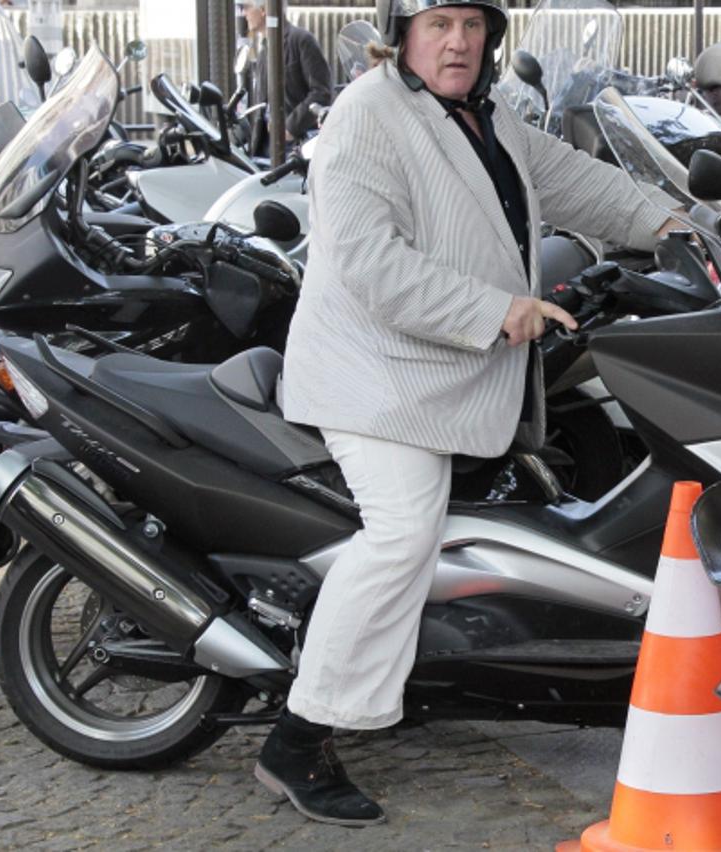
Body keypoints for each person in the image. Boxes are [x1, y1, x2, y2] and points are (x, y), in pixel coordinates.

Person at [256, 0, 678, 827]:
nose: (458, 41)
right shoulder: (366, 115)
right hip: (375, 375)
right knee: (404, 529)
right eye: (439, 23)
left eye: (473, 26)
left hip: (446, 373)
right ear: (401, 31)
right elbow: (368, 261)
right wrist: (496, 310)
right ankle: (297, 741)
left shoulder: (486, 115)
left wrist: (676, 223)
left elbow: (567, 177)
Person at [240, 0, 332, 146]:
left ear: (263, 9)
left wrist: (291, 127)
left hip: (297, 144)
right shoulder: (264, 50)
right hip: (266, 144)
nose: (243, 13)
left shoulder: (301, 40)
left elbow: (321, 91)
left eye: (246, 7)